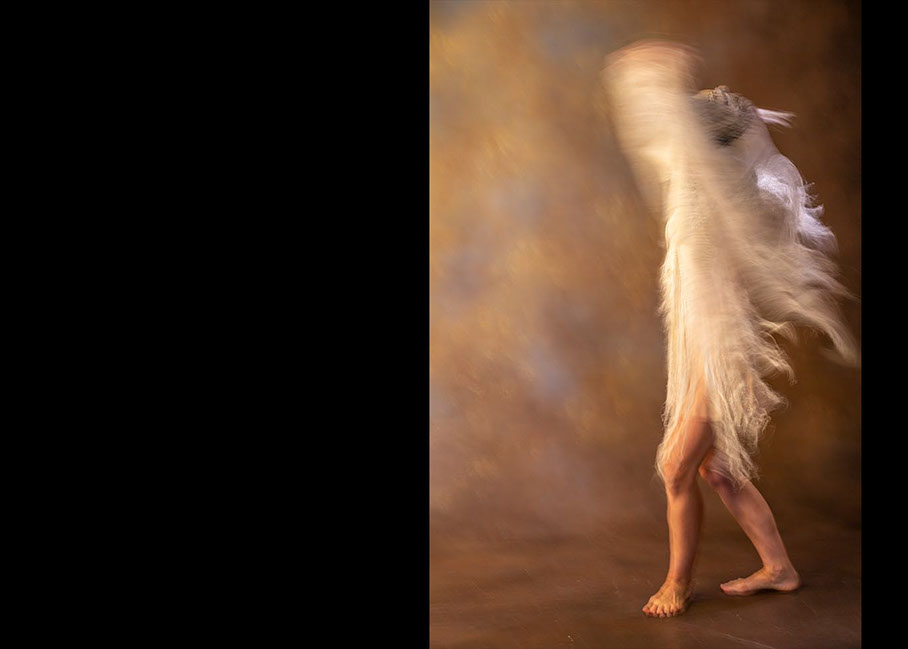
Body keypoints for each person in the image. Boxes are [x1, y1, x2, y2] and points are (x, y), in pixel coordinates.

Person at [600, 41, 860, 618]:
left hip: (722, 352)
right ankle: (780, 569)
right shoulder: (694, 189)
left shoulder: (726, 203)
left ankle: (677, 582)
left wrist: (659, 72)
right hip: (705, 348)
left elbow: (728, 314)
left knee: (676, 467)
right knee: (718, 470)